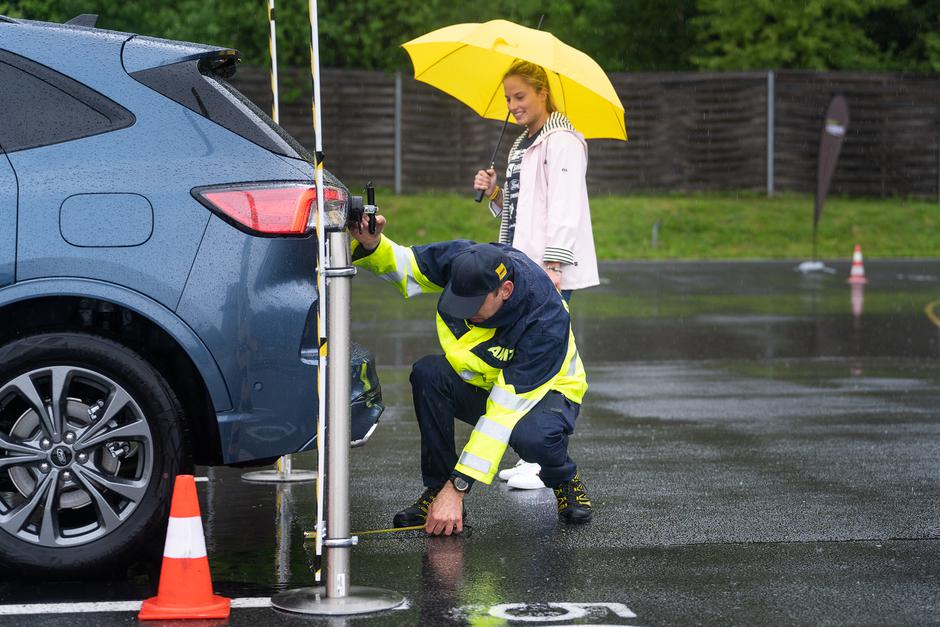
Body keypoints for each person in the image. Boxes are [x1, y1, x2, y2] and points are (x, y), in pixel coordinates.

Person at [348, 211, 594, 536]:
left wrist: (459, 487)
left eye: (474, 305)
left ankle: (563, 476)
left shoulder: (544, 321)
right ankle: (435, 490)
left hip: (545, 392)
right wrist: (374, 243)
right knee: (428, 374)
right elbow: (407, 264)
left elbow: (503, 413)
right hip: (486, 381)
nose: (467, 315)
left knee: (532, 437)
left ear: (505, 290)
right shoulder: (464, 261)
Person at [473, 60, 600, 488]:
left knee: (544, 361)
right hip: (521, 268)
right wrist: (495, 193)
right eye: (509, 99)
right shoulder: (526, 143)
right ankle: (532, 454)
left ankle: (543, 458)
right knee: (526, 357)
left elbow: (566, 207)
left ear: (543, 93)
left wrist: (552, 266)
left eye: (520, 96)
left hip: (545, 271)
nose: (513, 106)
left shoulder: (562, 141)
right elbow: (523, 210)